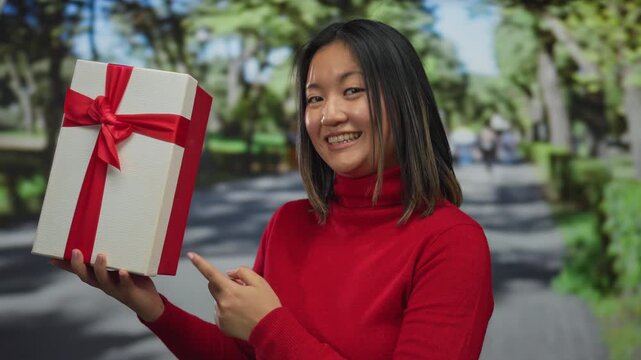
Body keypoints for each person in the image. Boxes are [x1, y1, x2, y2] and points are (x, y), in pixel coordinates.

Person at [52, 19, 493, 359]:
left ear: (405, 101)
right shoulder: (288, 223)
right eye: (315, 98)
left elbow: (271, 340)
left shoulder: (452, 242)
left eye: (352, 90)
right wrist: (152, 306)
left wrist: (269, 326)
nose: (329, 115)